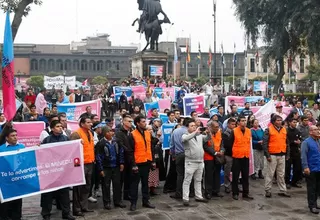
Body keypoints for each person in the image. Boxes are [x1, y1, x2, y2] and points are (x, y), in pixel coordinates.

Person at [40, 120, 75, 220]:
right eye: (57, 126)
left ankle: (66, 213)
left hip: (62, 171)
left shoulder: (65, 139)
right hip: (51, 172)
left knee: (64, 193)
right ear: (52, 128)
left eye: (61, 126)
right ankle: (46, 213)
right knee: (48, 194)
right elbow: (42, 154)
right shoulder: (47, 140)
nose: (60, 128)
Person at [129, 115, 156, 211]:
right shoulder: (132, 134)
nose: (145, 123)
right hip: (137, 163)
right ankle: (133, 203)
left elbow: (151, 148)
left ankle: (146, 201)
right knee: (134, 184)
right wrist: (133, 164)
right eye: (143, 121)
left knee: (145, 183)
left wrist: (153, 161)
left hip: (146, 162)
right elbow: (130, 151)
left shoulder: (148, 133)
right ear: (138, 123)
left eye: (145, 121)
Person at [95, 126, 126, 210]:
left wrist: (121, 163)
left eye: (112, 131)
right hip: (106, 167)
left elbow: (121, 152)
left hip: (116, 166)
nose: (111, 133)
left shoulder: (116, 141)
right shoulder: (101, 144)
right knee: (106, 185)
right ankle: (107, 202)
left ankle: (118, 201)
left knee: (117, 184)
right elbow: (98, 157)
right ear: (105, 133)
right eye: (109, 132)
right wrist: (100, 169)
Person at [181, 118, 210, 206]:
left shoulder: (199, 136)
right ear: (188, 128)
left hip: (200, 161)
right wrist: (195, 133)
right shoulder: (185, 135)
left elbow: (207, 139)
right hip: (190, 162)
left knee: (198, 180)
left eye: (194, 126)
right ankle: (185, 198)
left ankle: (199, 196)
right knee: (187, 180)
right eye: (192, 126)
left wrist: (209, 133)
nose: (194, 127)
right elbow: (185, 139)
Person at [70, 117, 95, 216]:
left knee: (87, 186)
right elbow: (71, 151)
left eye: (91, 122)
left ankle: (84, 206)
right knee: (78, 188)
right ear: (82, 124)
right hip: (80, 164)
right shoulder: (76, 134)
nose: (91, 124)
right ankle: (77, 209)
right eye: (88, 122)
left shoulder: (90, 133)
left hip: (90, 163)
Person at [0, 129, 25, 220]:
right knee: (5, 205)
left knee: (17, 204)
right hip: (5, 182)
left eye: (16, 135)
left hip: (18, 180)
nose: (15, 137)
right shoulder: (1, 149)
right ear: (7, 138)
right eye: (12, 136)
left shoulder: (22, 147)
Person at [263, 115, 291, 198]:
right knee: (270, 173)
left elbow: (287, 143)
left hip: (282, 154)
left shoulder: (284, 130)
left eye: (280, 120)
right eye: (278, 120)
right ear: (273, 121)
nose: (279, 122)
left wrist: (287, 154)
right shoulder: (268, 130)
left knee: (281, 174)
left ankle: (283, 190)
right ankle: (268, 190)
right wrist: (267, 155)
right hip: (272, 155)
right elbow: (265, 143)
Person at [230, 116, 254, 200]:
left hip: (245, 156)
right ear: (238, 122)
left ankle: (245, 193)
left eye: (245, 121)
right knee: (235, 176)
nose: (244, 122)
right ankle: (235, 193)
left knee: (245, 176)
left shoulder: (248, 131)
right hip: (237, 156)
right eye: (242, 121)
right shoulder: (234, 131)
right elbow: (230, 144)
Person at [301, 125, 320, 214]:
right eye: (315, 130)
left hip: (319, 167)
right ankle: (311, 205)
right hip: (311, 168)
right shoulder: (306, 142)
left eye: (318, 129)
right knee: (311, 188)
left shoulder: (318, 141)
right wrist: (305, 167)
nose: (318, 131)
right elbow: (303, 156)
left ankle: (315, 203)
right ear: (311, 132)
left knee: (317, 188)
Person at [203, 120, 224, 199]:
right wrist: (215, 153)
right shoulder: (206, 134)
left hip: (218, 157)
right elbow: (205, 146)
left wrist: (222, 150)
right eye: (215, 127)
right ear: (210, 127)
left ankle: (216, 190)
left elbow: (221, 143)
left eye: (218, 127)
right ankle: (208, 192)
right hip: (209, 158)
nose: (217, 128)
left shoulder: (219, 133)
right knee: (209, 175)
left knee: (217, 174)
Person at [115, 115, 134, 201]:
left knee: (129, 177)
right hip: (123, 158)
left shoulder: (132, 131)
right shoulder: (119, 133)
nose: (131, 123)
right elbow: (121, 145)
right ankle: (119, 196)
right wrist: (129, 151)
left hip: (131, 158)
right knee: (121, 179)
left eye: (131, 121)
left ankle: (127, 194)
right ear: (124, 122)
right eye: (129, 121)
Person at [285, 118, 302, 188]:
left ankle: (294, 181)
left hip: (296, 151)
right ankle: (287, 182)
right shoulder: (286, 131)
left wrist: (299, 142)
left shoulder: (297, 130)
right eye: (294, 122)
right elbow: (286, 141)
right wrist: (293, 142)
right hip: (289, 151)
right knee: (288, 167)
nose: (295, 123)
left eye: (296, 122)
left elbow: (299, 138)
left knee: (297, 167)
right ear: (290, 123)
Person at [222, 118, 236, 193]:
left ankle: (234, 185)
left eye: (234, 124)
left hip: (236, 154)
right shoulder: (225, 133)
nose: (234, 126)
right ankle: (227, 185)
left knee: (235, 171)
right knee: (227, 171)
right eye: (232, 124)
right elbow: (227, 144)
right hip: (228, 154)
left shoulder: (236, 132)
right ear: (228, 124)